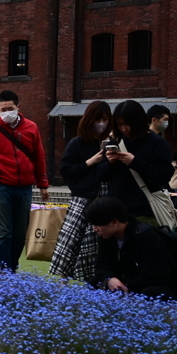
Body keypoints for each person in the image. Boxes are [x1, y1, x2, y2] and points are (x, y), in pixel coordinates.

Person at [0, 90, 50, 272]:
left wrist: (43, 184)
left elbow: (39, 156)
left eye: (10, 108)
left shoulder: (31, 127)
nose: (7, 112)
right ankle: (4, 272)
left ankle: (12, 267)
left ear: (18, 107)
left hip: (25, 187)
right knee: (3, 232)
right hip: (1, 186)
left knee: (20, 233)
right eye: (3, 109)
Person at [49, 101, 111, 282]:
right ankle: (63, 278)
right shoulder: (77, 144)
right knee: (71, 240)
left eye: (106, 119)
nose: (102, 123)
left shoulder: (111, 143)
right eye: (98, 119)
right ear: (89, 120)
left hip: (104, 199)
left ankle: (95, 279)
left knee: (96, 243)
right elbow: (66, 170)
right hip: (82, 198)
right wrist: (90, 162)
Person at [86, 196, 177, 302]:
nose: (95, 229)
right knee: (94, 282)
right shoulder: (106, 237)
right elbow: (102, 264)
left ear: (114, 222)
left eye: (97, 224)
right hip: (130, 282)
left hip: (160, 285)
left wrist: (125, 286)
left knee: (151, 293)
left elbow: (156, 274)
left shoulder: (145, 235)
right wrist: (110, 279)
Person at [103, 100, 173, 225]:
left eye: (128, 124)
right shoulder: (116, 142)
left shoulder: (156, 143)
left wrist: (135, 162)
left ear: (139, 121)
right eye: (119, 124)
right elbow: (101, 176)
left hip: (144, 211)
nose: (124, 129)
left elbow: (164, 175)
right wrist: (110, 163)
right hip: (115, 211)